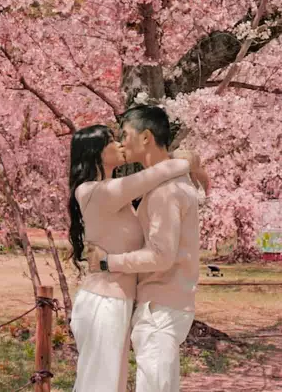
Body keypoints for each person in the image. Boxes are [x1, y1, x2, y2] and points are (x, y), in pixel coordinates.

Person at [67, 124, 199, 392]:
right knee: (99, 385)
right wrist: (186, 160)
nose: (119, 144)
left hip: (117, 300)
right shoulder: (93, 191)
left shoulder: (116, 194)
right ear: (96, 152)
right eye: (111, 141)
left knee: (108, 384)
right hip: (104, 300)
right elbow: (159, 173)